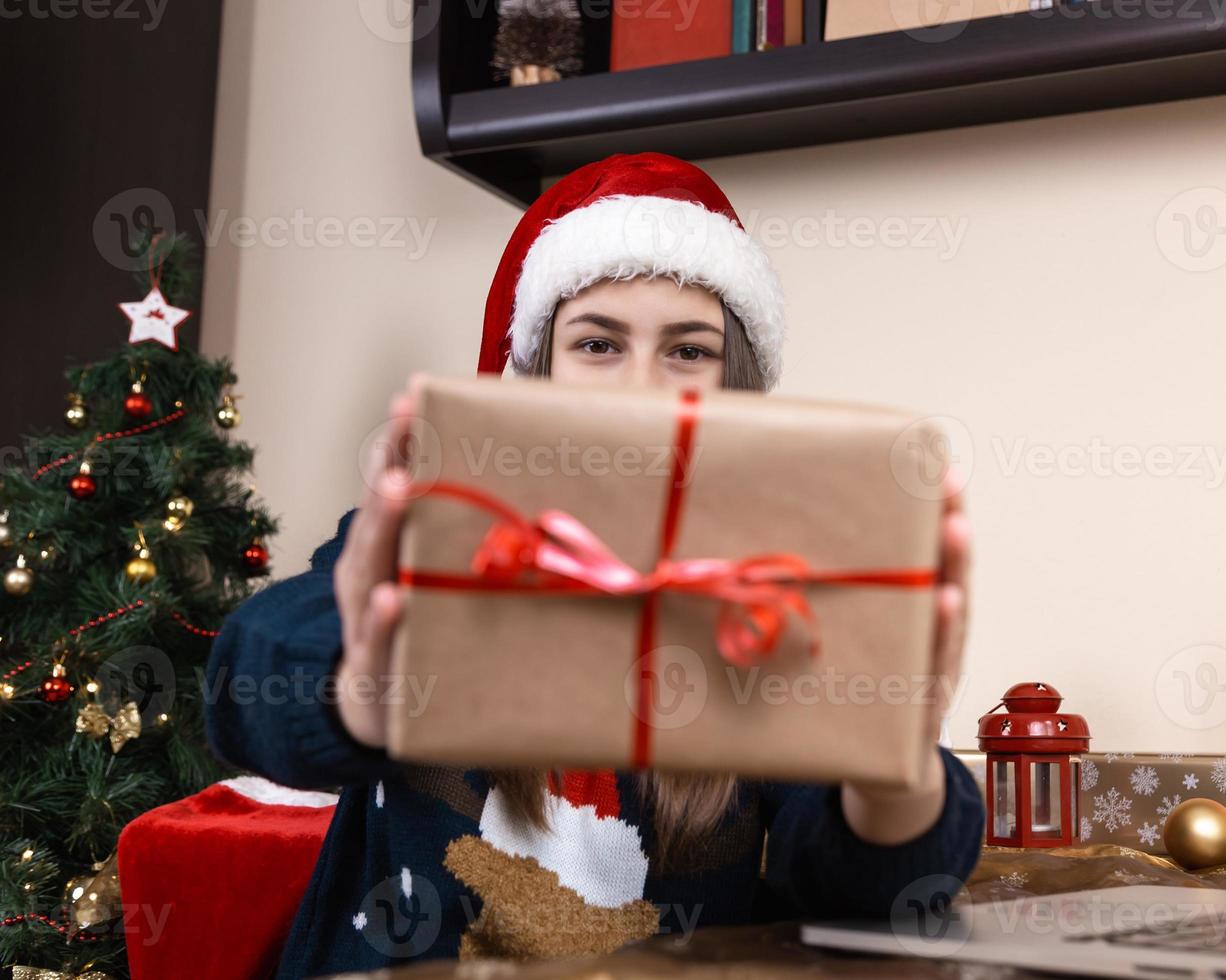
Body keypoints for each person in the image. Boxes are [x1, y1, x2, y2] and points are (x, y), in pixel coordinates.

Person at [204, 151, 984, 978]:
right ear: (539, 368)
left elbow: (862, 886)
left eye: (689, 351)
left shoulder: (765, 601)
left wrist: (894, 779)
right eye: (598, 344)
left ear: (735, 384)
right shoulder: (431, 549)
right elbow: (244, 683)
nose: (642, 390)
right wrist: (362, 682)